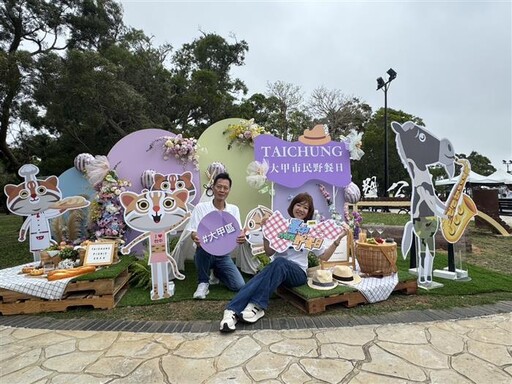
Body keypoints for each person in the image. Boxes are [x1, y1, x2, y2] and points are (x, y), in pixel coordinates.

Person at [219, 192, 347, 332]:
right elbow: (269, 252)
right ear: (292, 206)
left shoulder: (310, 231)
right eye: (298, 204)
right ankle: (231, 312)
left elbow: (324, 257)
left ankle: (256, 305)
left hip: (297, 274)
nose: (301, 209)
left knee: (279, 263)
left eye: (305, 207)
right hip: (277, 270)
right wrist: (266, 231)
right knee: (273, 266)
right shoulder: (281, 226)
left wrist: (338, 240)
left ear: (309, 212)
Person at [188, 173, 246, 299]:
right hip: (204, 252)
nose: (222, 190)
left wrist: (242, 236)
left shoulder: (233, 209)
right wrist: (196, 237)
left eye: (225, 188)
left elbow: (238, 231)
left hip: (223, 254)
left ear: (229, 190)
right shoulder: (201, 208)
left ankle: (217, 272)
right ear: (213, 188)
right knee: (204, 245)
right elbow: (193, 231)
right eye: (219, 187)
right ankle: (203, 283)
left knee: (239, 285)